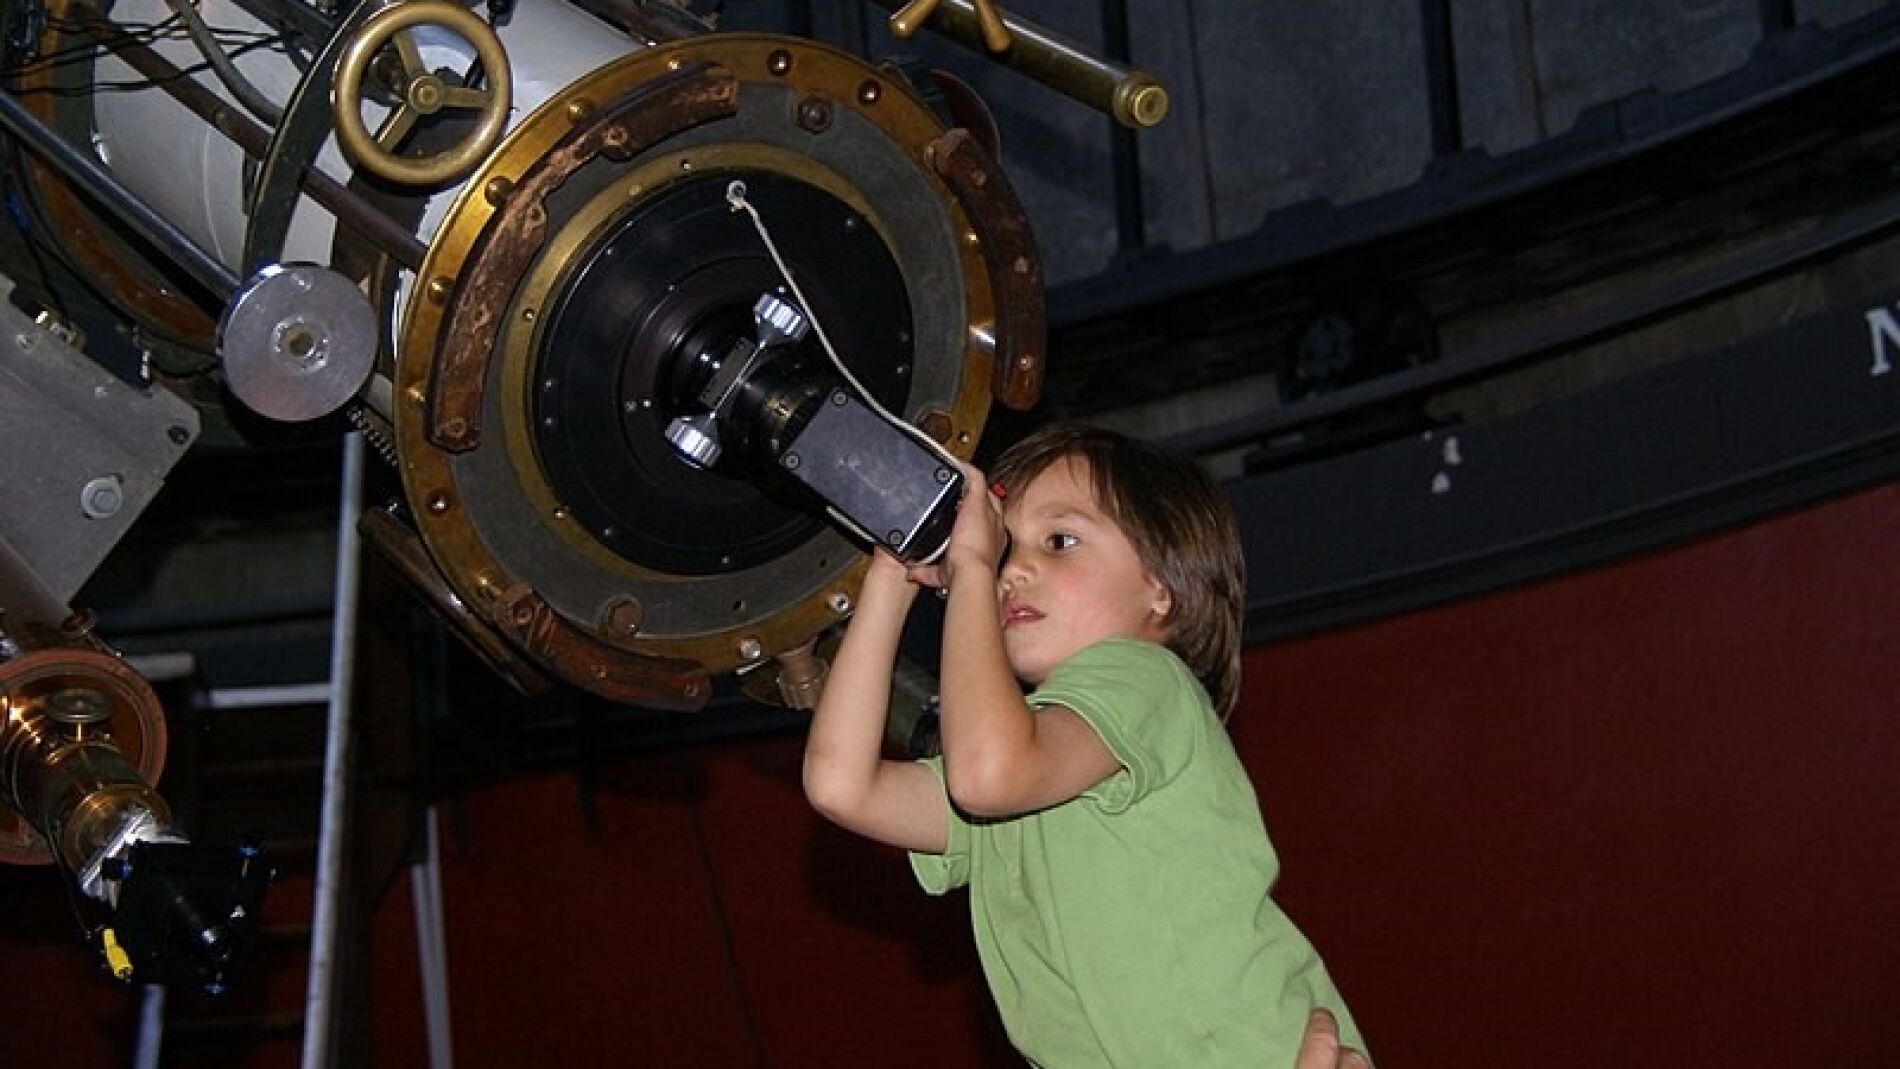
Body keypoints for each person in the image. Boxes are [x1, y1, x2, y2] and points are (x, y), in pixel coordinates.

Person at [803, 424, 1367, 1066]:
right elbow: (842, 785)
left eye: (1060, 541)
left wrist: (973, 567)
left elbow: (987, 774)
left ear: (1161, 588)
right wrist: (891, 575)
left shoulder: (1144, 679)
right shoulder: (1026, 758)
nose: (1014, 572)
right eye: (1007, 549)